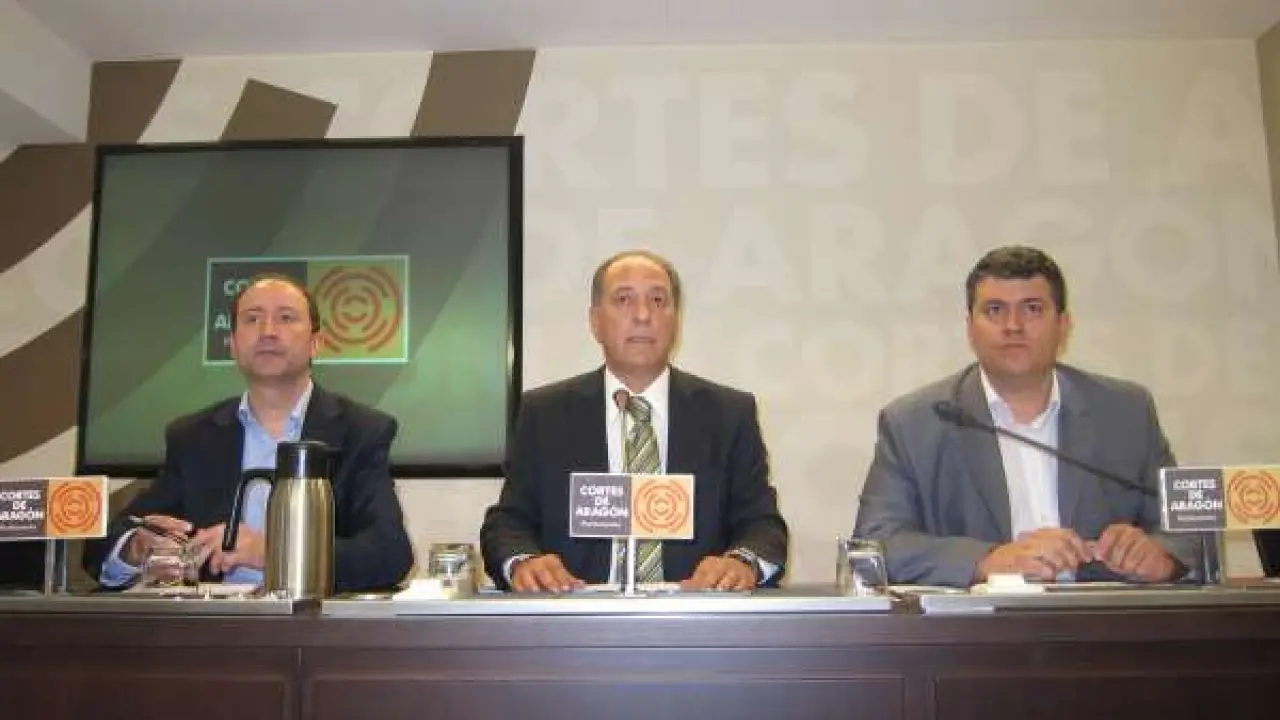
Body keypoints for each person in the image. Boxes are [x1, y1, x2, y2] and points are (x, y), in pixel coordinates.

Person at [854, 245, 1203, 588]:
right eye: (994, 310)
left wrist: (1162, 556)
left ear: (1063, 325)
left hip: (1102, 619)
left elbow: (1188, 529)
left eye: (1032, 309)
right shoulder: (915, 423)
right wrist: (987, 561)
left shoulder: (1126, 412)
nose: (1013, 326)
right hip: (979, 622)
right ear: (970, 328)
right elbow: (874, 546)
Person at [82, 274, 414, 593]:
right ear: (232, 344)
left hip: (314, 622)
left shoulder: (360, 431)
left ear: (316, 343)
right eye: (252, 319)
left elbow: (390, 553)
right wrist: (138, 547)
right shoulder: (193, 437)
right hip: (217, 624)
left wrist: (273, 551)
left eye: (286, 318)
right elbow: (103, 547)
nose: (268, 331)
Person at [481, 250, 788, 592]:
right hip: (575, 615)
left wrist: (742, 562)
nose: (643, 315)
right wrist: (524, 562)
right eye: (624, 299)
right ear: (595, 321)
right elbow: (508, 522)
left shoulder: (729, 414)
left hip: (695, 616)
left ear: (676, 320)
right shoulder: (545, 414)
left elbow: (763, 525)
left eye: (658, 300)